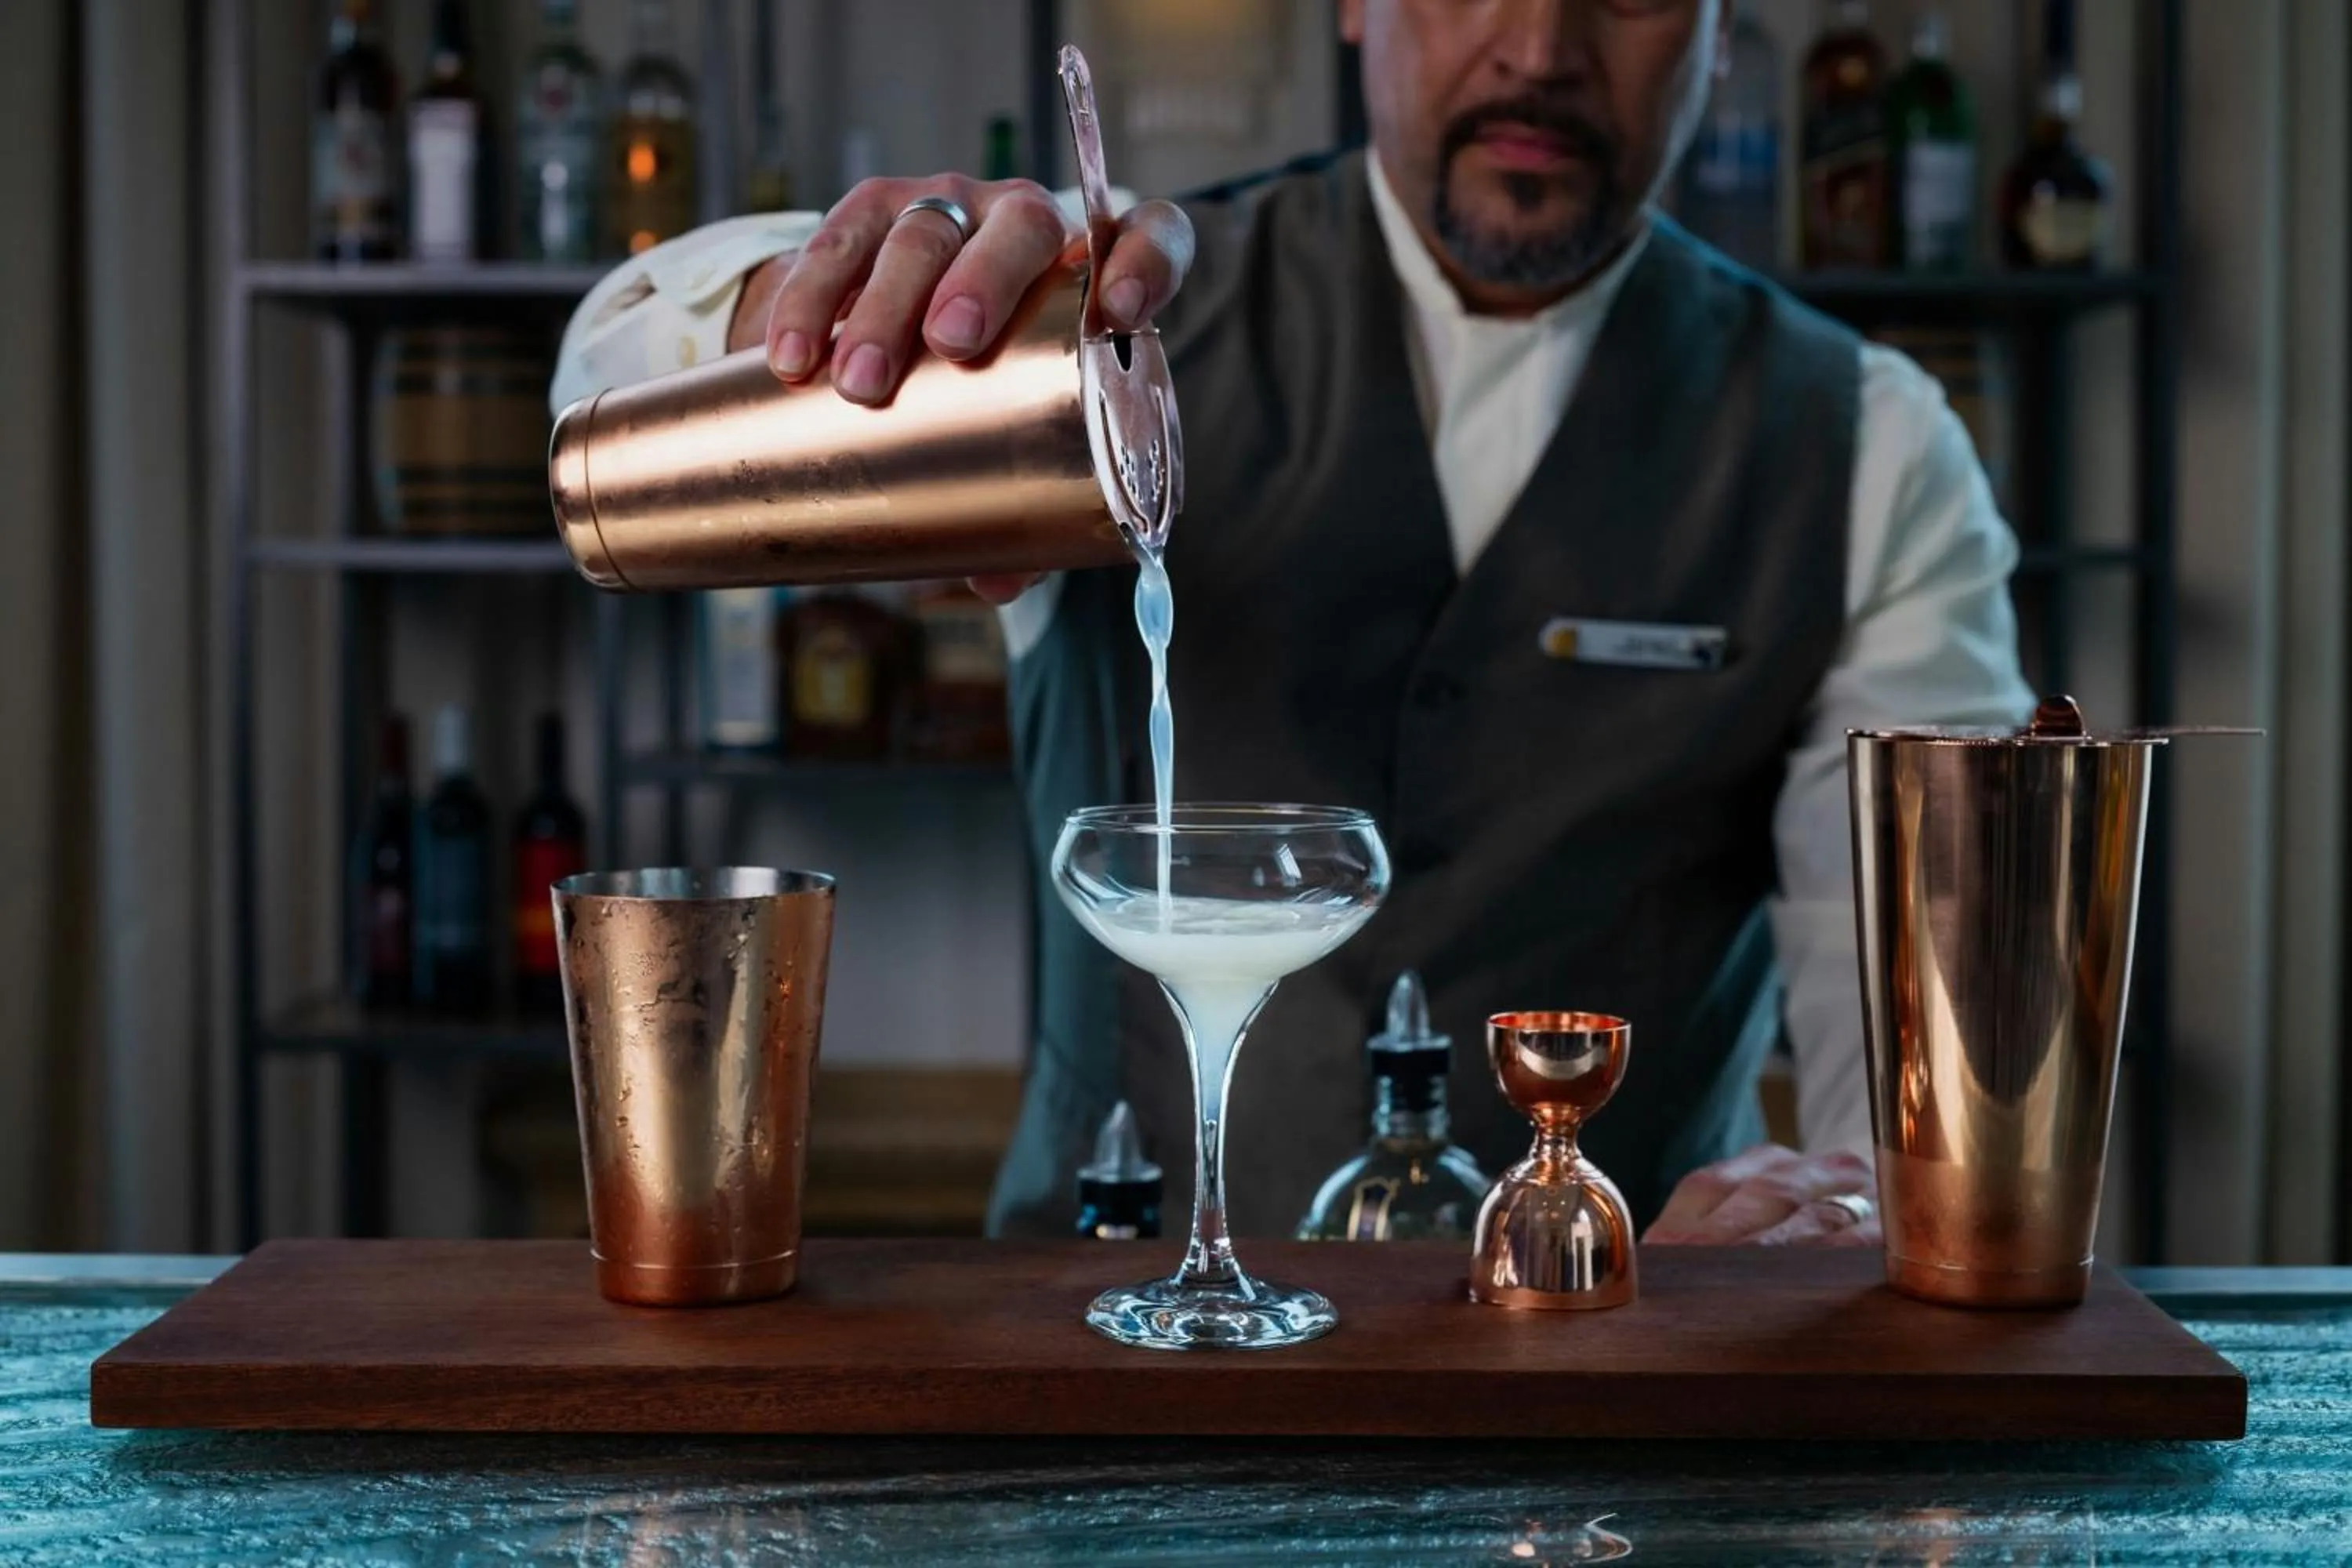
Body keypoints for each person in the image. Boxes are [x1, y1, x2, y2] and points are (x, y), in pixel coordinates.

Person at [551, 0, 2031, 1247]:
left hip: (1608, 1406)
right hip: (1089, 1378)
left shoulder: (1870, 450)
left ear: (1719, 31)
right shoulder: (1107, 330)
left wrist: (1847, 1213)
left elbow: (1924, 1077)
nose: (1540, 49)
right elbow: (603, 369)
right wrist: (814, 318)